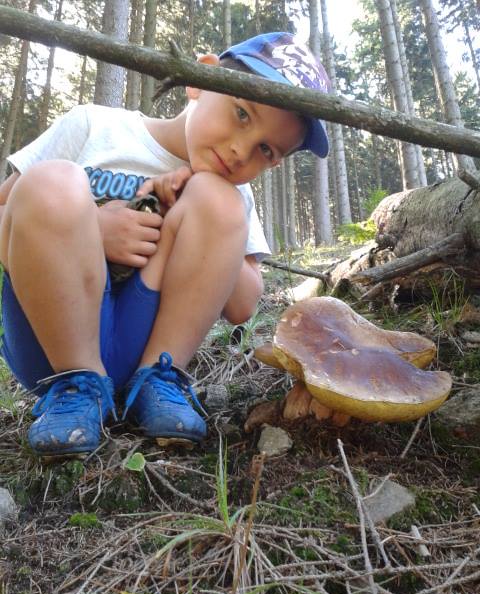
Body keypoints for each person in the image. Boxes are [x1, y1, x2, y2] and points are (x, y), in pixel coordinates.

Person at [0, 32, 330, 457]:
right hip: (51, 352)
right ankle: (78, 383)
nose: (238, 150)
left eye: (264, 150)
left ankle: (160, 378)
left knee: (220, 200)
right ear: (200, 78)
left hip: (147, 353)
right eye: (242, 115)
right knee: (49, 181)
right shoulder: (94, 126)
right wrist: (93, 228)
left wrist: (198, 202)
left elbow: (242, 306)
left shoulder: (232, 195)